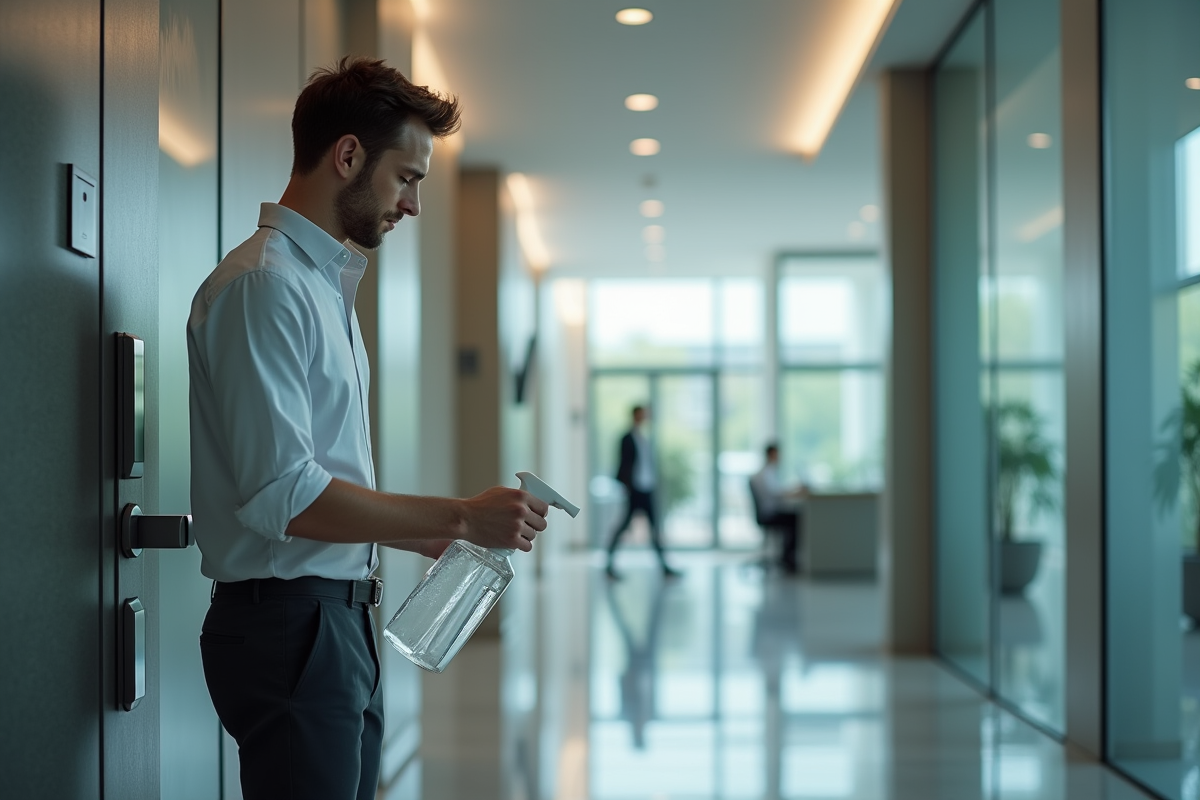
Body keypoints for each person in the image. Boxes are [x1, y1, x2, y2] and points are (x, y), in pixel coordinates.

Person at [187, 57, 549, 800]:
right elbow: (284, 495)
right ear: (348, 155)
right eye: (407, 178)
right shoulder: (266, 286)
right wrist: (457, 515)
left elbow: (320, 477)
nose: (412, 204)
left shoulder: (323, 287)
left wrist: (418, 536)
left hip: (334, 620)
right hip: (291, 626)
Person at [605, 405, 680, 579]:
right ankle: (609, 564)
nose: (644, 418)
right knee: (624, 526)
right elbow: (623, 464)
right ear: (634, 416)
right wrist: (626, 486)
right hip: (635, 490)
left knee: (654, 527)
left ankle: (664, 567)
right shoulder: (626, 438)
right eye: (641, 415)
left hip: (647, 489)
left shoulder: (643, 438)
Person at [749, 443, 808, 573]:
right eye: (777, 454)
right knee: (795, 519)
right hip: (768, 514)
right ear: (771, 454)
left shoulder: (769, 472)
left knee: (793, 517)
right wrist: (794, 492)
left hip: (770, 511)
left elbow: (777, 493)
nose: (780, 458)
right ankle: (788, 558)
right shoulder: (764, 474)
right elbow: (775, 495)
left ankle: (787, 557)